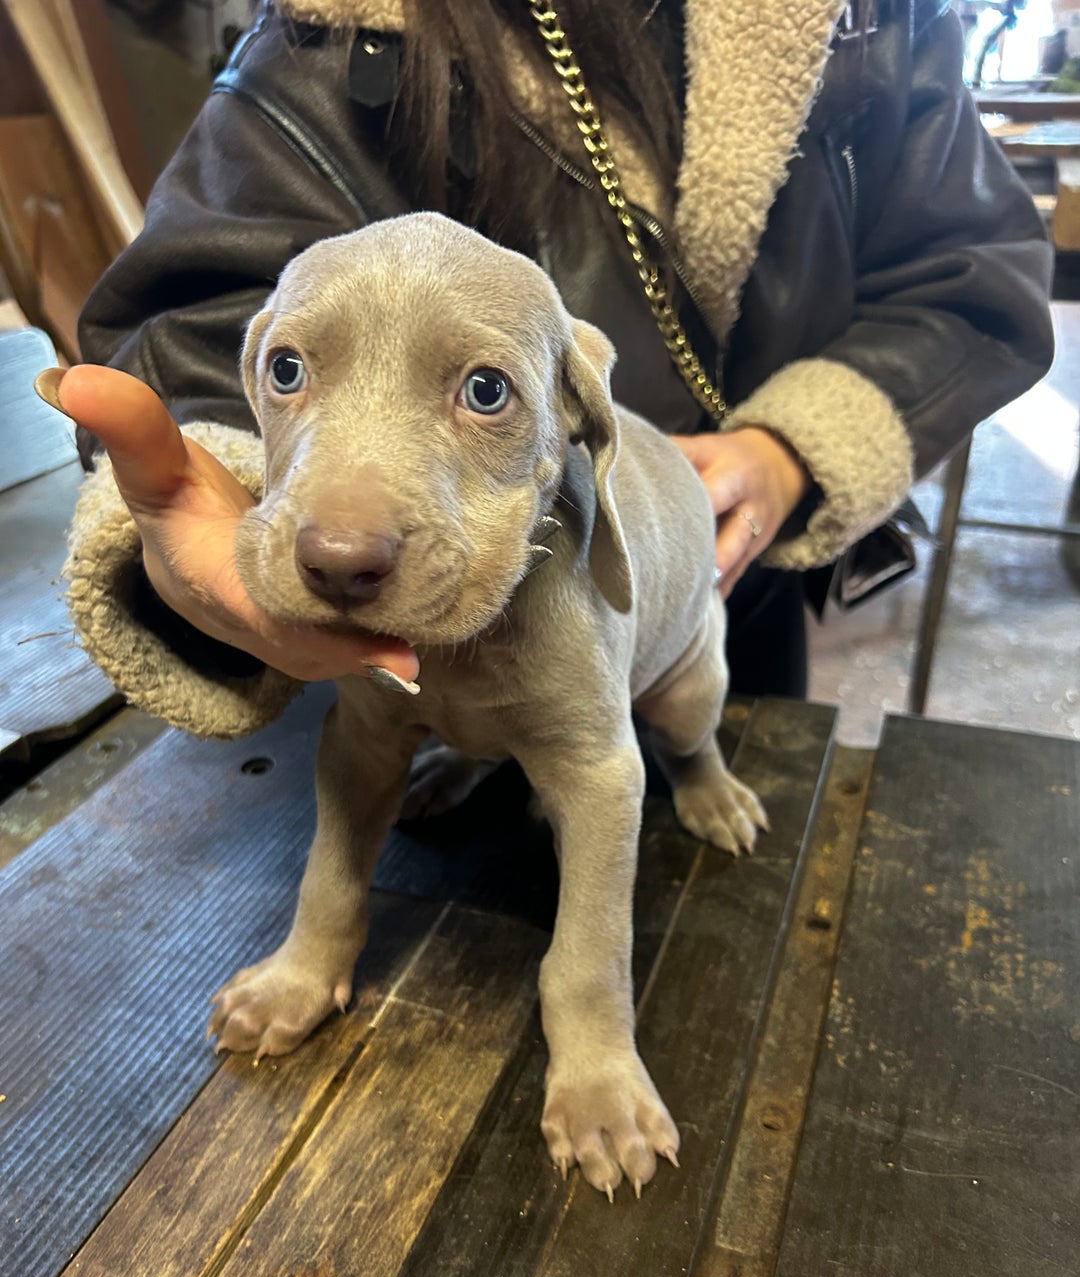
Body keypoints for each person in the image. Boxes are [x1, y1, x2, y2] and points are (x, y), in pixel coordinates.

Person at [53, 0, 1054, 741]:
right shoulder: (337, 24)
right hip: (406, 634)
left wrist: (792, 448)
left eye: (484, 388)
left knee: (702, 798)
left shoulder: (878, 17)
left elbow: (972, 274)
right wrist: (220, 476)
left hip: (716, 574)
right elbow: (205, 315)